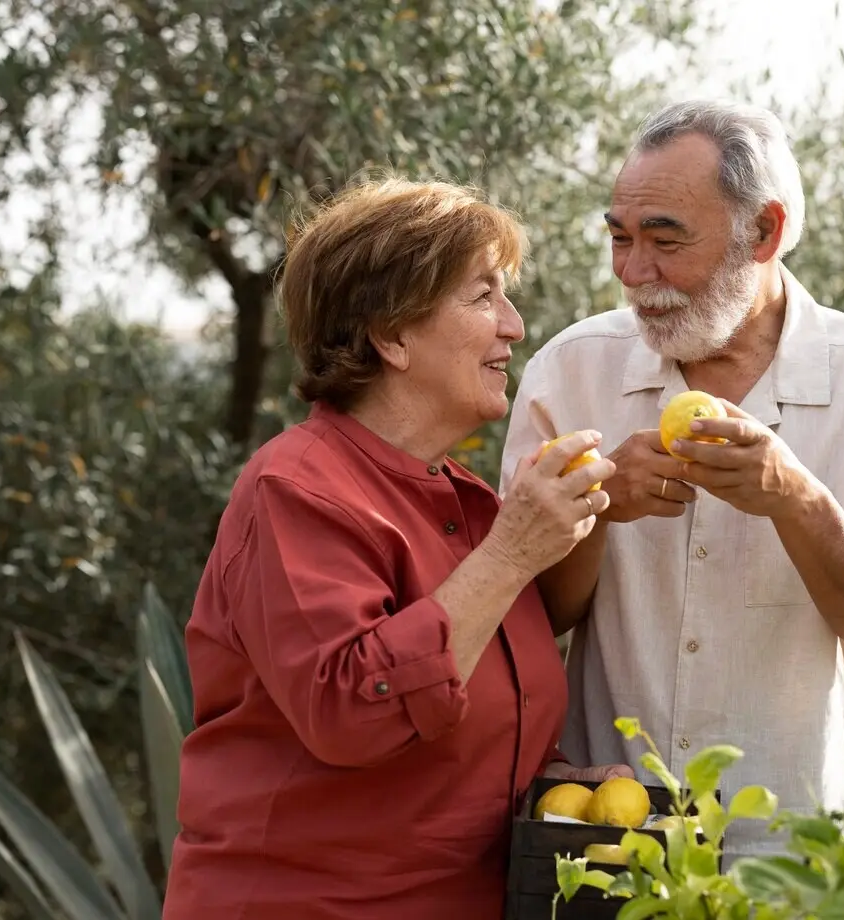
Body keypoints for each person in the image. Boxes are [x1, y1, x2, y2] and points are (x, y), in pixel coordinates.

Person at [500, 100, 844, 862]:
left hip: (803, 854)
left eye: (665, 240)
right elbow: (529, 621)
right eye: (620, 238)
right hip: (606, 839)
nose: (633, 273)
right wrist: (596, 507)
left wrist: (796, 496)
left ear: (766, 232)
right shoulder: (568, 371)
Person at [162, 176, 630, 920]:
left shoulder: (469, 506)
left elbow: (460, 734)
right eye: (483, 297)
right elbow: (356, 711)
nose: (513, 326)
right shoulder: (294, 489)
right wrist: (513, 555)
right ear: (391, 333)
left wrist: (563, 787)